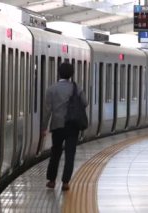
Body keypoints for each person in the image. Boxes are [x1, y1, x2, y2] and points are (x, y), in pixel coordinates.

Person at [41, 62, 88, 191]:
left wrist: (44, 127)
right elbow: (85, 102)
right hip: (72, 126)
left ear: (59, 73)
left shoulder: (51, 89)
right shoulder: (76, 88)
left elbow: (47, 111)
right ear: (71, 74)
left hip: (57, 125)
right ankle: (65, 182)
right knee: (70, 154)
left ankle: (51, 180)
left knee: (55, 152)